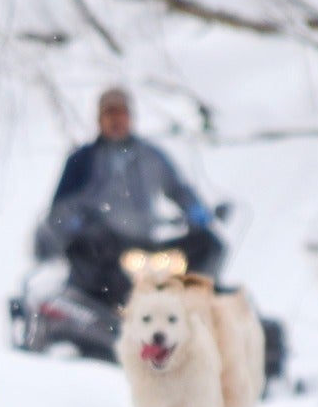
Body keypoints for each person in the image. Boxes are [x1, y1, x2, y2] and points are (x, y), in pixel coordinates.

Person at [40, 86, 225, 306]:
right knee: (93, 261)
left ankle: (197, 307)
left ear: (130, 117)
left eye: (121, 114)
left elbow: (178, 189)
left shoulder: (150, 156)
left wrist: (197, 212)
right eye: (110, 115)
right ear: (100, 120)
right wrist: (74, 224)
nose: (116, 121)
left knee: (208, 245)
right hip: (104, 246)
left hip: (148, 246)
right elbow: (61, 208)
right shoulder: (83, 160)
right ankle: (106, 311)